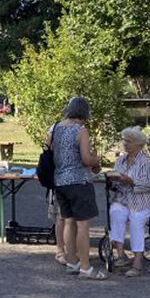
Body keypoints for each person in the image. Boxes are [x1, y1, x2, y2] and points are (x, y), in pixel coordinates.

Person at [51, 96, 105, 280]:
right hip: (78, 181)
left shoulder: (55, 128)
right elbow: (85, 159)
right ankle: (85, 267)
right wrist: (97, 160)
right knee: (82, 225)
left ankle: (71, 261)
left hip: (60, 181)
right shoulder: (81, 131)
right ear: (85, 113)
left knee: (68, 221)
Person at [109, 126, 150, 277]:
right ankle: (121, 255)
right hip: (123, 200)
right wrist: (113, 179)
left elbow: (148, 185)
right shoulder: (121, 160)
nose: (125, 143)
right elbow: (114, 183)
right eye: (124, 140)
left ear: (139, 145)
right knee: (115, 211)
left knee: (136, 220)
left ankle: (137, 262)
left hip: (141, 201)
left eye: (129, 141)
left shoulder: (145, 163)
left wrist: (131, 181)